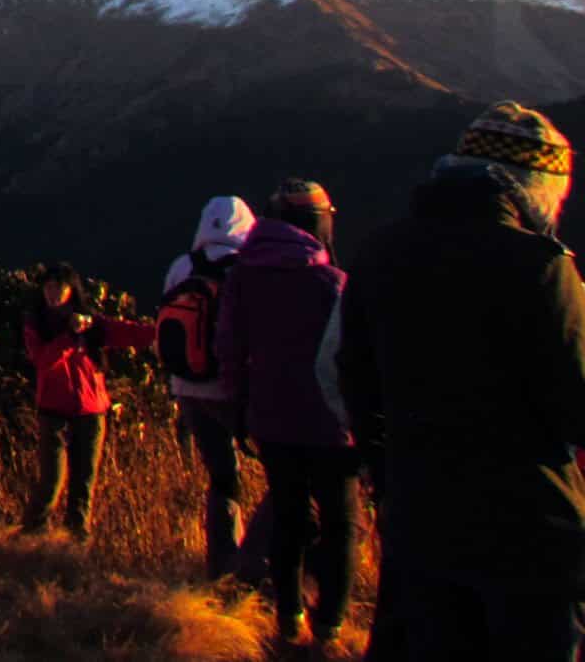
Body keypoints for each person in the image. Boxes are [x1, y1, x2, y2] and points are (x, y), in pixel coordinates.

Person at [339, 103, 585, 662]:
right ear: (535, 187)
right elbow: (577, 404)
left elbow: (352, 375)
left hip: (419, 523)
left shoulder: (381, 252)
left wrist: (386, 474)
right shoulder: (542, 266)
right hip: (530, 528)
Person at [218, 180, 356, 650]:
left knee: (289, 516)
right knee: (339, 522)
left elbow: (230, 351)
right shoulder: (332, 282)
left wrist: (239, 412)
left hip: (271, 418)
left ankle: (288, 617)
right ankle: (329, 626)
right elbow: (351, 360)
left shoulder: (244, 276)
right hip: (330, 425)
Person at [21, 262, 154, 537]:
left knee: (83, 483)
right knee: (52, 482)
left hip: (91, 412)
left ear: (71, 290)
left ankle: (75, 541)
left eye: (58, 287)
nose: (52, 293)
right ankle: (31, 538)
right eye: (48, 287)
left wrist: (160, 331)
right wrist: (70, 337)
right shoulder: (37, 326)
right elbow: (43, 361)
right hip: (53, 413)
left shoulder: (91, 324)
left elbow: (127, 332)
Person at [160, 195, 255, 581]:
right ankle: (255, 563)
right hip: (231, 389)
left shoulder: (182, 266)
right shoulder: (246, 269)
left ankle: (220, 564)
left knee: (221, 477)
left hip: (188, 388)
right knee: (285, 474)